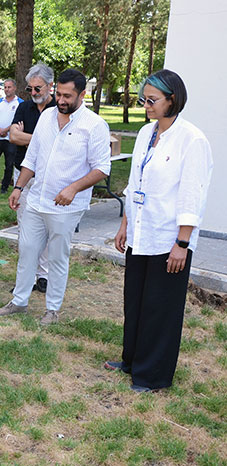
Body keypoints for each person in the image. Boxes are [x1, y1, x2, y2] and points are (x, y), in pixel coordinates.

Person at [107, 70, 213, 392]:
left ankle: (152, 376)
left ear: (173, 100)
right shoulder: (145, 133)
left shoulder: (192, 140)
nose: (146, 105)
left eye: (152, 100)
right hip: (141, 232)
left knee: (160, 308)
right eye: (144, 99)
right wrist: (125, 224)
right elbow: (134, 183)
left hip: (169, 240)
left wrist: (182, 242)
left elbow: (192, 195)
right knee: (135, 301)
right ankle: (132, 360)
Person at [0, 68, 111, 325]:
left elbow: (102, 168)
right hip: (36, 199)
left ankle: (52, 310)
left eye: (68, 96)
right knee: (27, 251)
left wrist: (73, 189)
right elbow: (32, 157)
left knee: (57, 257)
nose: (61, 100)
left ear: (82, 94)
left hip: (66, 206)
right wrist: (18, 188)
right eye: (59, 94)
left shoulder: (94, 125)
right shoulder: (47, 116)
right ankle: (19, 301)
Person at [8, 63, 57, 293]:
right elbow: (13, 137)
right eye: (30, 89)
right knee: (25, 227)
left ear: (50, 86)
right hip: (23, 174)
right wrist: (40, 139)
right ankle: (25, 278)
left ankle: (43, 275)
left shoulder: (59, 109)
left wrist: (25, 136)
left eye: (38, 88)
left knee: (46, 227)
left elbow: (59, 142)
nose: (34, 93)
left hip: (49, 176)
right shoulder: (24, 107)